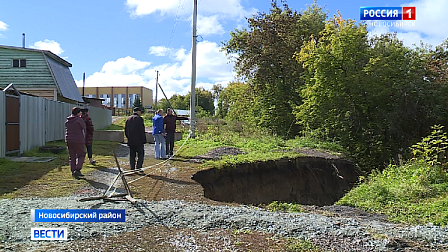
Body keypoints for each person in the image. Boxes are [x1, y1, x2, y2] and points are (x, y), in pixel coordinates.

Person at [65, 107, 86, 178]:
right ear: (78, 113)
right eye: (80, 112)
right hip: (78, 140)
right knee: (81, 154)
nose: (81, 114)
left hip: (69, 139)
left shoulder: (68, 120)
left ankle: (73, 170)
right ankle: (78, 169)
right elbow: (84, 129)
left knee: (72, 156)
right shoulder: (79, 120)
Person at [125, 107, 147, 172]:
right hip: (139, 141)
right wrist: (144, 140)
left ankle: (132, 168)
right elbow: (141, 131)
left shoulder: (128, 119)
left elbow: (126, 130)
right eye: (140, 112)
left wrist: (128, 138)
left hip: (131, 141)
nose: (141, 113)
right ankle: (138, 168)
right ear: (138, 112)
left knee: (132, 155)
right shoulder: (139, 119)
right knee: (140, 154)